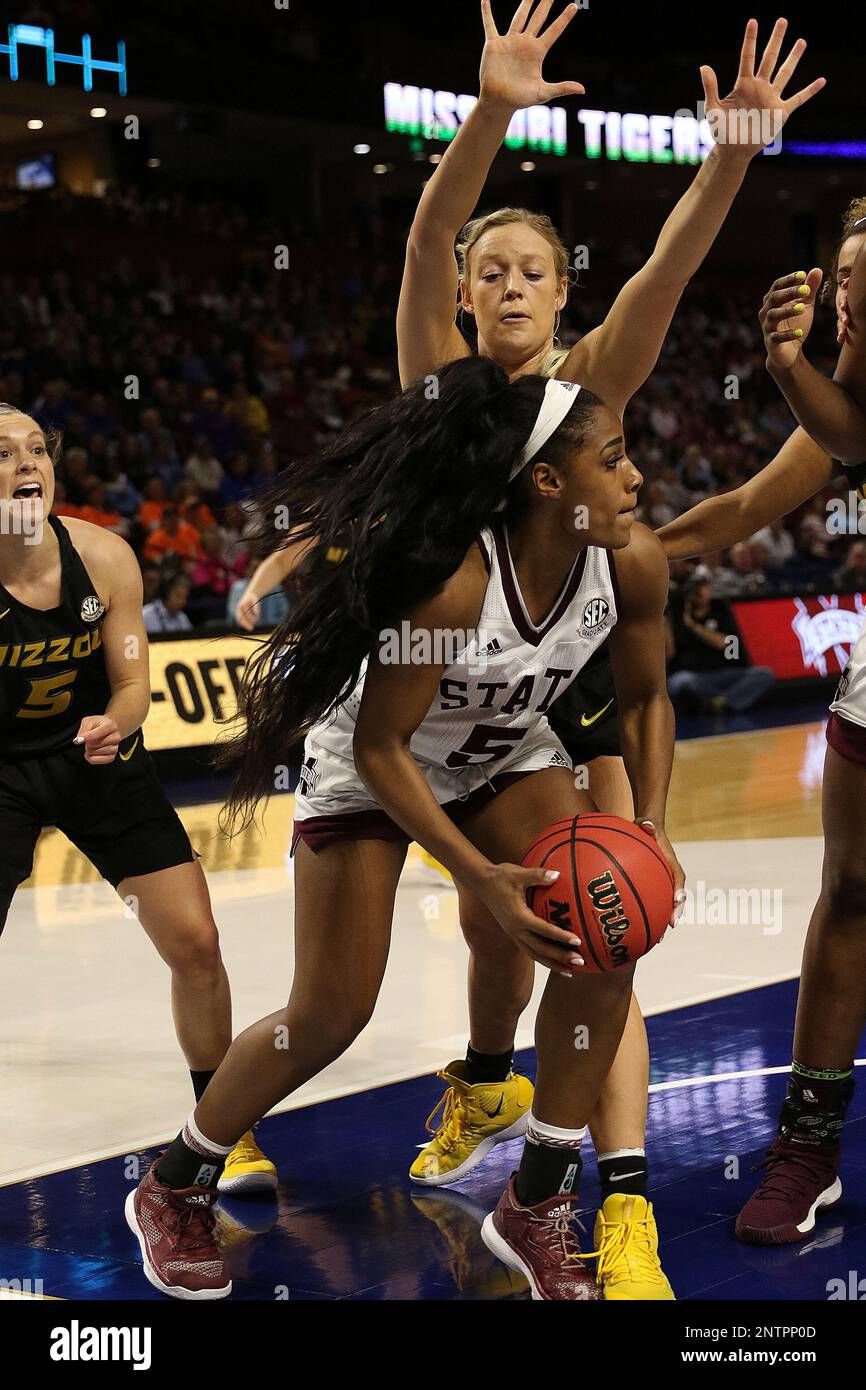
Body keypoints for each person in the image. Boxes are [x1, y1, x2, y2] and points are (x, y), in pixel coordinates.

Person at [126, 358, 683, 1301]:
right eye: (615, 459)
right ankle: (174, 1181)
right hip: (372, 766)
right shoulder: (456, 581)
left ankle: (537, 1197)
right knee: (331, 1014)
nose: (636, 479)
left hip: (500, 753)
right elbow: (384, 748)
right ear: (547, 481)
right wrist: (480, 879)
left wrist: (653, 829)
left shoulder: (629, 560)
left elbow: (647, 700)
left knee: (605, 930)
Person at [393, 0, 823, 1209]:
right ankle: (476, 1077)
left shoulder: (591, 387)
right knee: (428, 955)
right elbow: (426, 237)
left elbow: (668, 266)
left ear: (557, 286)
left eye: (534, 266)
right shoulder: (437, 380)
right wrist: (488, 109)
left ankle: (600, 1188)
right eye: (493, 270)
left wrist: (729, 154)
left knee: (596, 911)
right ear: (470, 295)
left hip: (552, 680)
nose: (512, 281)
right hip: (433, 681)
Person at [657, 198, 866, 1244]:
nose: (839, 316)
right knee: (850, 895)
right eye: (839, 297)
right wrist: (622, 553)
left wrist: (791, 371)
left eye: (857, 309)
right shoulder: (840, 391)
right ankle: (805, 1145)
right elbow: (740, 507)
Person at [0, 403, 274, 1197]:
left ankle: (225, 1128)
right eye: (4, 453)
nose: (27, 463)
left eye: (37, 450)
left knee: (196, 939)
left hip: (97, 754)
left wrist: (113, 725)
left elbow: (131, 686)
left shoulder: (107, 558)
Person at [667, 575, 774, 715]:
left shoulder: (720, 614)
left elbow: (726, 644)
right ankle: (723, 699)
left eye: (704, 588)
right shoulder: (677, 620)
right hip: (694, 675)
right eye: (696, 590)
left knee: (763, 674)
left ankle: (721, 702)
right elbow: (670, 653)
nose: (699, 593)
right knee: (680, 683)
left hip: (723, 672)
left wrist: (694, 626)